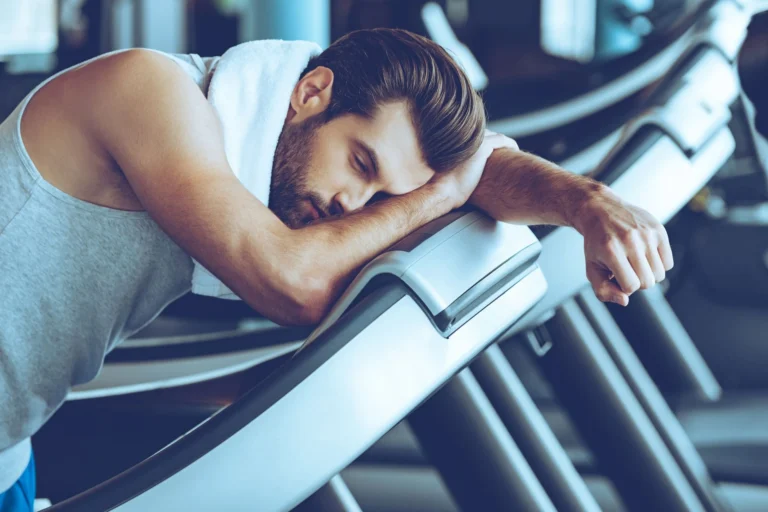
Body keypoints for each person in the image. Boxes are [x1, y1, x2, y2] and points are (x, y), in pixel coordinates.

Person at [0, 28, 672, 510]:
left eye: (384, 196)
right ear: (312, 93)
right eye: (360, 164)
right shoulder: (146, 89)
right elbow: (290, 280)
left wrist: (589, 205)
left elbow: (484, 173)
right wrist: (433, 197)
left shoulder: (252, 154)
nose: (353, 206)